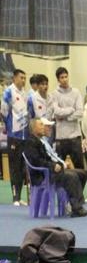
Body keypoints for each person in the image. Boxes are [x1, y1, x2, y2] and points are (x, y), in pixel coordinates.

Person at [24, 118, 87, 217]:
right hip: (42, 176)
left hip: (50, 172)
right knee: (71, 176)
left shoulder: (41, 140)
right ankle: (77, 208)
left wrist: (59, 164)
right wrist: (53, 165)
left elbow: (49, 157)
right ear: (34, 128)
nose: (44, 127)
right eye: (41, 125)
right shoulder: (31, 142)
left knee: (82, 173)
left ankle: (72, 203)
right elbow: (37, 162)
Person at [1, 69, 29, 206]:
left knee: (23, 167)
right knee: (14, 167)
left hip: (24, 135)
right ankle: (14, 197)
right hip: (13, 135)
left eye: (25, 78)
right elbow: (4, 111)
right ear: (14, 78)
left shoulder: (25, 94)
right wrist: (10, 126)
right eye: (21, 78)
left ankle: (19, 195)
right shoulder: (8, 91)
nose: (23, 80)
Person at [51, 67, 84, 169]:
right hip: (61, 137)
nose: (64, 79)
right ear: (58, 79)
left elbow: (80, 112)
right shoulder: (54, 94)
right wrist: (70, 109)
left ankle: (80, 185)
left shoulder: (76, 92)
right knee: (60, 166)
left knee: (79, 166)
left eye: (66, 77)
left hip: (75, 136)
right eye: (62, 77)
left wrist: (65, 118)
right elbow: (56, 112)